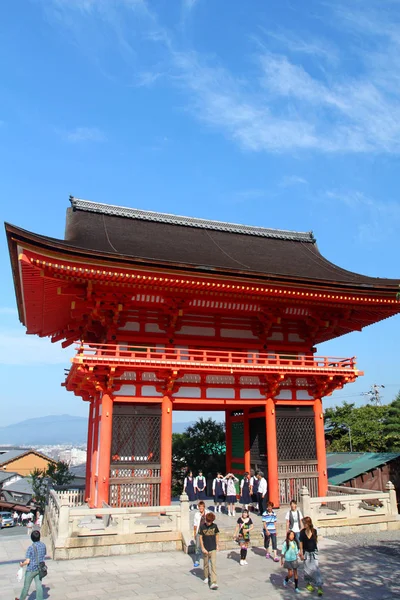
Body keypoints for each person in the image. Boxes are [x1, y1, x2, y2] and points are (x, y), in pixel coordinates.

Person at [16, 529, 47, 600]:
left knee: (26, 587)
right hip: (40, 568)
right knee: (39, 585)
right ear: (39, 537)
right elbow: (43, 555)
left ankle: (21, 599)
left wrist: (22, 564)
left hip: (31, 570)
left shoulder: (30, 548)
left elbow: (27, 561)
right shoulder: (43, 545)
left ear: (31, 538)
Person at [299, 516, 324, 596]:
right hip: (306, 552)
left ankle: (319, 586)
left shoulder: (314, 531)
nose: (304, 525)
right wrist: (301, 552)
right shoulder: (302, 532)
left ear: (308, 523)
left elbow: (315, 541)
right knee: (307, 570)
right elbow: (301, 542)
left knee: (316, 569)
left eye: (305, 523)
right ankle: (308, 583)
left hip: (313, 552)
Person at [199, 511, 219, 590]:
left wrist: (217, 545)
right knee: (206, 564)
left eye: (210, 521)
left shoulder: (215, 526)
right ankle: (206, 576)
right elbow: (200, 537)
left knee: (213, 565)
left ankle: (213, 582)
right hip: (205, 548)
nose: (208, 523)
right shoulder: (202, 527)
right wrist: (202, 547)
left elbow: (217, 535)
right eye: (207, 521)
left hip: (213, 548)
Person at [193, 500, 209, 568]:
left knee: (207, 546)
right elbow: (195, 525)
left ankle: (207, 558)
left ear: (204, 507)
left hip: (206, 532)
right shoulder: (196, 514)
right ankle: (197, 560)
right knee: (197, 546)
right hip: (199, 531)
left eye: (202, 507)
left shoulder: (207, 513)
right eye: (200, 507)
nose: (201, 508)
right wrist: (194, 533)